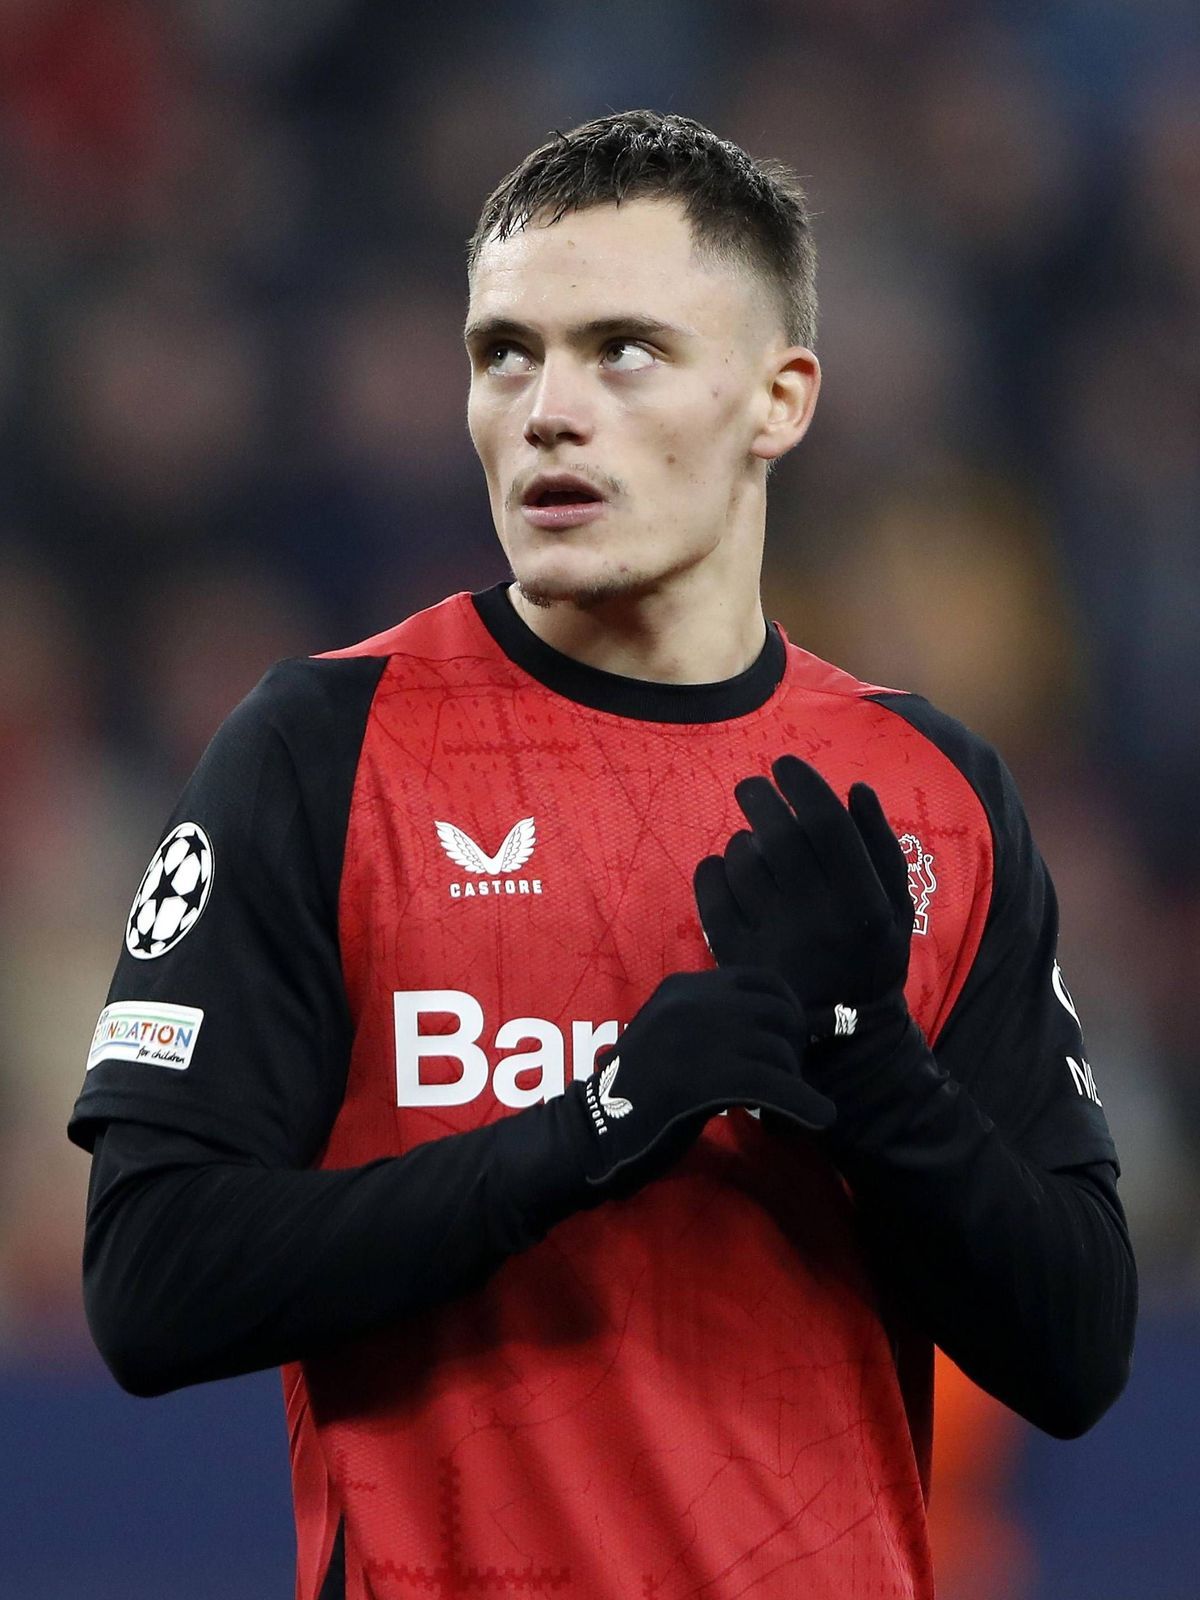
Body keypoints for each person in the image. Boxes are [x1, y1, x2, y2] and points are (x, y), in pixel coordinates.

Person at [70, 111, 1136, 1600]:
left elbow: (1078, 1349)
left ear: (779, 399)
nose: (547, 410)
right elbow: (150, 1283)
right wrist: (599, 1123)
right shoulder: (321, 748)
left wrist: (870, 1067)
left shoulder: (928, 794)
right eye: (505, 352)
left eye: (622, 349)